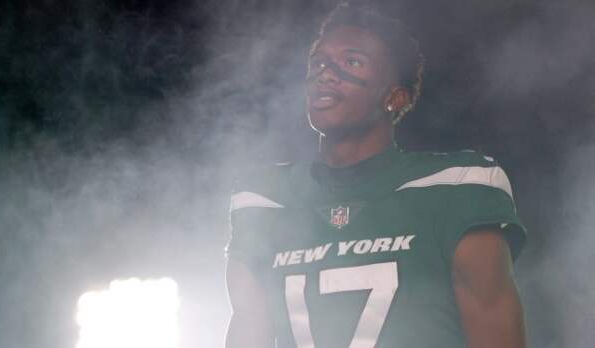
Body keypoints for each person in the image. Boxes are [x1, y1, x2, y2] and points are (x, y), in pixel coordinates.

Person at [225, 3, 527, 347]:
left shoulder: (456, 186)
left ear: (395, 98)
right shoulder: (265, 199)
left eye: (351, 61)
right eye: (319, 63)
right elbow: (249, 331)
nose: (326, 73)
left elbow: (495, 329)